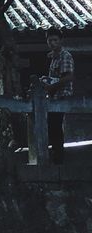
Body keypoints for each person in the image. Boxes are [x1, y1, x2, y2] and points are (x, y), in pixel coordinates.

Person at [40, 29, 75, 165]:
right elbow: (55, 77)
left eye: (55, 40)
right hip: (54, 96)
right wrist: (46, 80)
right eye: (50, 40)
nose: (53, 43)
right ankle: (55, 154)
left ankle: (58, 158)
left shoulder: (65, 56)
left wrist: (51, 86)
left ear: (61, 41)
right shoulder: (53, 57)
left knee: (55, 125)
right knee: (52, 125)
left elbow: (68, 77)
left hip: (62, 95)